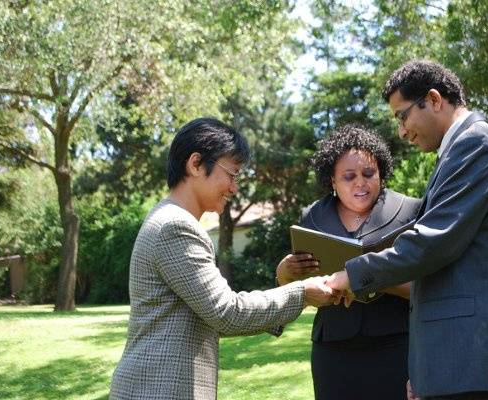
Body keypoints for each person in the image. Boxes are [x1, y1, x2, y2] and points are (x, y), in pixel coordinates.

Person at [326, 60, 488, 399]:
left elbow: (432, 243)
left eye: (402, 115)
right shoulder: (462, 149)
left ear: (434, 99)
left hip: (473, 362)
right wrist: (427, 372)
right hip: (458, 366)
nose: (402, 131)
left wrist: (352, 274)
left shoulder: (476, 145)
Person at [109, 117, 334, 400]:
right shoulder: (175, 226)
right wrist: (302, 292)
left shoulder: (169, 219)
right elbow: (227, 314)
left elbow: (214, 313)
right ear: (195, 164)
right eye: (232, 174)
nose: (234, 188)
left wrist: (282, 282)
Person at [276, 124, 421, 400]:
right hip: (333, 349)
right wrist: (284, 272)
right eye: (348, 176)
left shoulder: (410, 211)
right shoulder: (313, 218)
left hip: (397, 344)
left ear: (382, 173)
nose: (360, 182)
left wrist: (366, 278)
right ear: (332, 180)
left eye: (368, 173)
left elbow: (425, 287)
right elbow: (296, 285)